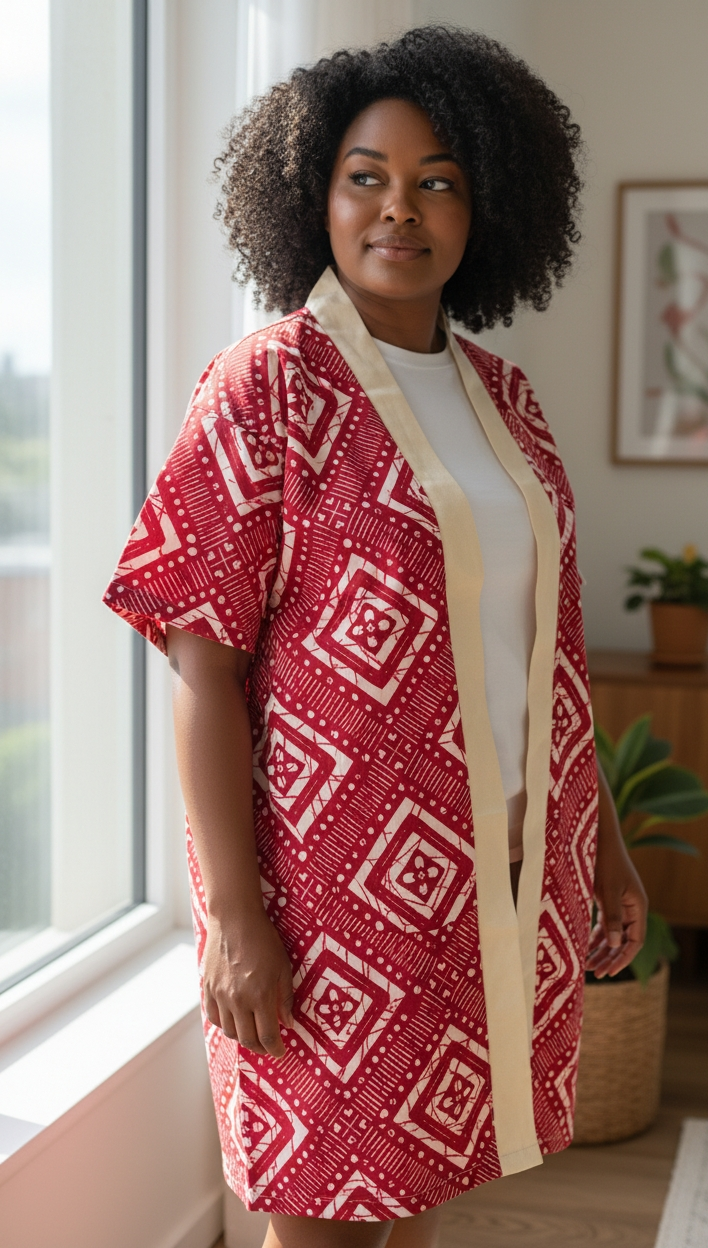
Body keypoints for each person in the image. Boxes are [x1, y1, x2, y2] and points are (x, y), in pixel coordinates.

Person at [104, 26, 646, 1248]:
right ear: (315, 195)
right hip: (329, 901)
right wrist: (234, 918)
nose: (399, 207)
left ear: (484, 205)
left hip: (499, 873)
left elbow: (546, 662)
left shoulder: (508, 403)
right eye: (367, 176)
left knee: (423, 1188)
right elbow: (201, 664)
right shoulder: (267, 386)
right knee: (325, 1217)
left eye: (436, 180)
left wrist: (605, 847)